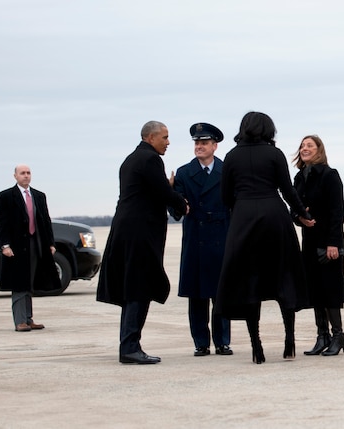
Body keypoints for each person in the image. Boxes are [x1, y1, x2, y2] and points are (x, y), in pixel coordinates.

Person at [214, 111, 313, 364]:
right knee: (284, 276)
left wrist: (240, 207)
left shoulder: (232, 156)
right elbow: (287, 190)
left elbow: (225, 196)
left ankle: (256, 346)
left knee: (250, 282)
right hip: (274, 214)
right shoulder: (274, 154)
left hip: (244, 216)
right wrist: (302, 213)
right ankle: (289, 339)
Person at [97, 121, 189, 364]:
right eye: (165, 137)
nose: (168, 142)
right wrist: (182, 204)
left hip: (126, 230)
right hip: (140, 233)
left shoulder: (131, 159)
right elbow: (163, 193)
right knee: (139, 288)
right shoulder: (150, 160)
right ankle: (129, 347)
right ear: (151, 137)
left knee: (133, 289)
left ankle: (130, 345)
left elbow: (150, 191)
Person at [169, 122, 232, 357]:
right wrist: (172, 195)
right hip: (196, 238)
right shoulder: (184, 173)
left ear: (214, 146)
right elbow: (177, 209)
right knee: (197, 296)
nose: (199, 146)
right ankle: (201, 343)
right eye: (197, 143)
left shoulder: (227, 171)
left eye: (204, 143)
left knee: (221, 294)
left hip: (221, 237)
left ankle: (223, 341)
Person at [292, 135, 344, 356]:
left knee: (330, 289)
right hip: (309, 240)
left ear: (319, 150)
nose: (305, 148)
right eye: (302, 146)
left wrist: (333, 243)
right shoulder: (299, 177)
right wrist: (300, 217)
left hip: (329, 241)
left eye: (310, 145)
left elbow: (337, 212)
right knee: (315, 290)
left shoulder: (330, 175)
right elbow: (293, 207)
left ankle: (338, 335)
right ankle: (322, 335)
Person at [0, 164, 60, 332]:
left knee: (30, 282)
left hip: (36, 244)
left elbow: (46, 220)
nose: (26, 176)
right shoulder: (6, 196)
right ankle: (20, 321)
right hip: (16, 247)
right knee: (19, 283)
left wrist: (50, 243)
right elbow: (2, 223)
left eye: (28, 173)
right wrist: (5, 245)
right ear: (15, 176)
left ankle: (28, 319)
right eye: (22, 173)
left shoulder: (39, 196)